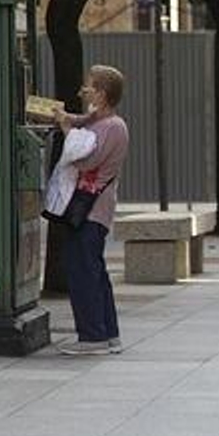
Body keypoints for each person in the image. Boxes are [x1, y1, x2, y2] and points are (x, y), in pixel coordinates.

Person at [54, 65, 130, 355]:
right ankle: (107, 333)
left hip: (92, 209)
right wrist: (62, 117)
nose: (83, 90)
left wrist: (65, 130)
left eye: (89, 86)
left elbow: (85, 161)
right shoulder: (97, 120)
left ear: (102, 93)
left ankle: (92, 336)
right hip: (87, 208)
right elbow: (79, 119)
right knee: (93, 269)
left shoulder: (113, 127)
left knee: (83, 270)